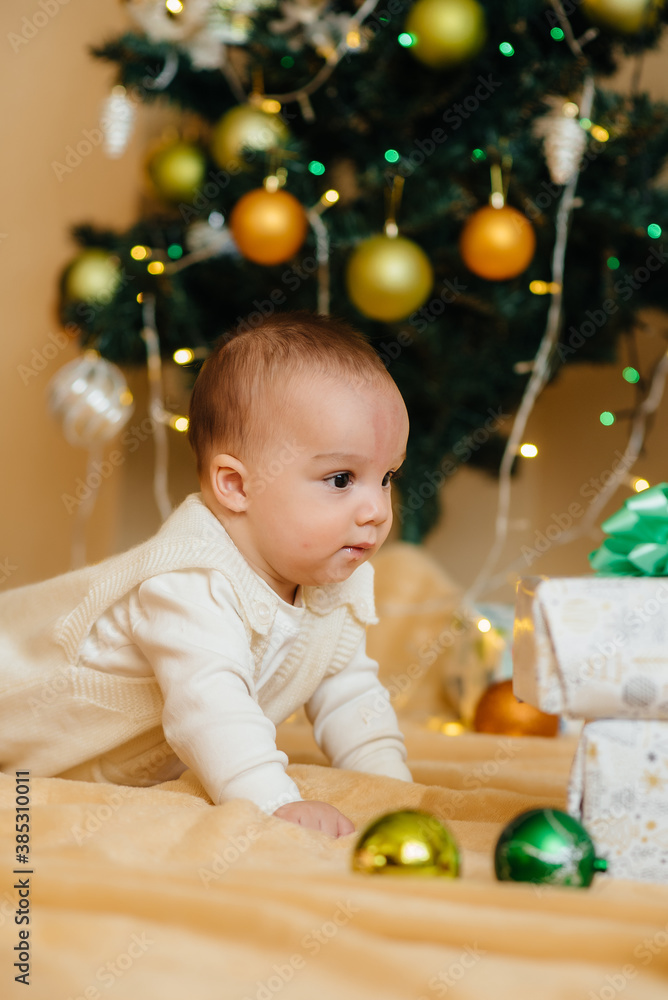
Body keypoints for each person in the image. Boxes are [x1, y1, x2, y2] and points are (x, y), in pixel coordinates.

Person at [0, 311, 412, 838]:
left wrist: (392, 791)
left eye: (387, 477)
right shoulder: (189, 580)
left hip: (107, 768)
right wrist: (273, 801)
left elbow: (351, 696)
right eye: (341, 479)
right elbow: (209, 706)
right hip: (23, 718)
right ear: (236, 486)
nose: (376, 510)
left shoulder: (333, 582)